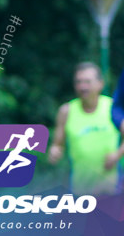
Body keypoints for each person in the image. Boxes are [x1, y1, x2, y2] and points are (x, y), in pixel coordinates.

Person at [49, 62, 123, 194]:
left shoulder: (113, 108)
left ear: (101, 83)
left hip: (112, 191)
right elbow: (57, 145)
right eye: (78, 82)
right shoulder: (66, 111)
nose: (82, 87)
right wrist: (55, 151)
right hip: (81, 192)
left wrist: (117, 155)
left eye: (87, 82)